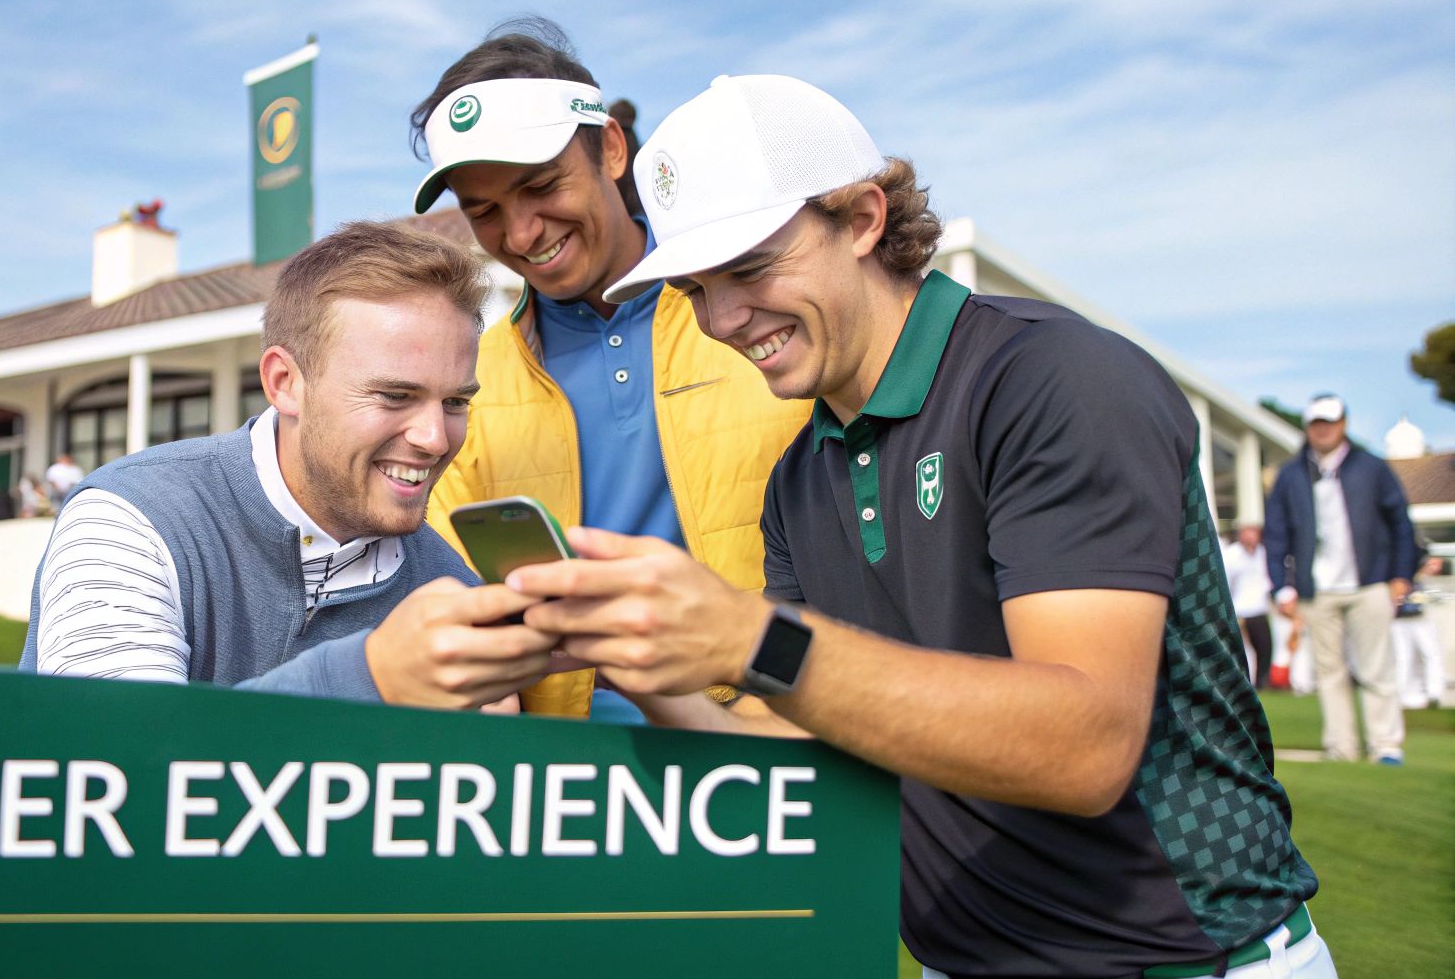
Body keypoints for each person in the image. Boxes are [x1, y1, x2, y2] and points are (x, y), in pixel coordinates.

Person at [506, 75, 1328, 977]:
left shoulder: (1052, 379)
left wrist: (750, 636)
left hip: (1180, 960)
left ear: (863, 219)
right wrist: (638, 657)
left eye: (750, 267)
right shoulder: (800, 475)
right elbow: (808, 743)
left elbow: (1086, 746)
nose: (724, 319)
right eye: (699, 288)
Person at [410, 18, 809, 719]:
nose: (524, 233)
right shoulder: (465, 384)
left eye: (541, 187)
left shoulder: (762, 321)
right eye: (486, 211)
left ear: (613, 150)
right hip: (563, 775)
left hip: (786, 745)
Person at [19, 221, 557, 709]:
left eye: (456, 403)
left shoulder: (452, 592)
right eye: (394, 396)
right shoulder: (133, 519)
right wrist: (372, 675)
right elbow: (124, 771)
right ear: (284, 383)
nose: (435, 438)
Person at [1264, 394, 1416, 764]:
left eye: (1329, 422)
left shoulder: (1372, 468)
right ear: (1307, 428)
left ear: (1343, 424)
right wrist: (1282, 585)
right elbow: (1277, 533)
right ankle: (1341, 747)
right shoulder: (1291, 475)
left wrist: (1400, 574)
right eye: (1316, 423)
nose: (1323, 430)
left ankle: (1386, 746)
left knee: (1376, 667)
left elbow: (1400, 524)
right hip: (1316, 589)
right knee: (1329, 673)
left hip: (1370, 583)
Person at [1221, 520, 1274, 687]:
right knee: (1243, 650)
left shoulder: (1263, 553)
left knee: (1265, 648)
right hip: (1240, 610)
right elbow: (1226, 582)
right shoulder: (1231, 555)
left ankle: (1262, 681)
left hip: (1259, 609)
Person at [1393, 555, 1445, 709]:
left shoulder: (1416, 553)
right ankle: (1402, 695)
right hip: (1399, 617)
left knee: (1430, 654)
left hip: (1419, 616)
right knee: (1403, 657)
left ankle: (1433, 694)